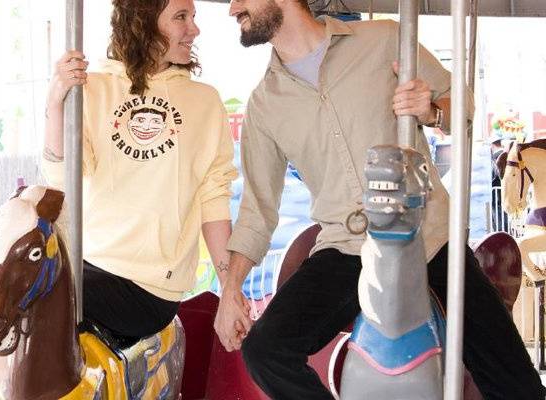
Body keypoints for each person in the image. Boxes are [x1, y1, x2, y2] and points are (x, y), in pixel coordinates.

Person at [213, 0, 545, 399]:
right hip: (345, 249)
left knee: (516, 383)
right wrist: (231, 288)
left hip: (427, 239)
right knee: (265, 350)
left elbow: (463, 105)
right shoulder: (265, 104)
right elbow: (257, 211)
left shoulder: (386, 40)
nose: (233, 8)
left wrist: (432, 111)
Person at [41, 0, 237, 340]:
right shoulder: (94, 87)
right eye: (180, 17)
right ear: (142, 22)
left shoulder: (205, 102)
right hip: (86, 263)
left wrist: (230, 290)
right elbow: (62, 177)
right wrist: (55, 103)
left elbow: (214, 199)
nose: (194, 29)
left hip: (148, 285)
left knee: (34, 307)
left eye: (193, 17)